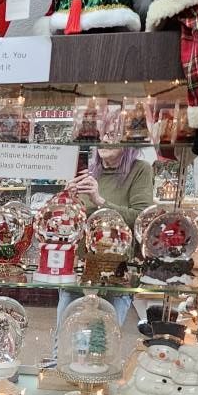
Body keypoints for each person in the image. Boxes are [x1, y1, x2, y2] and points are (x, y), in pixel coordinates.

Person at [56, 122, 154, 331]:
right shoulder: (89, 173)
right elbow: (74, 223)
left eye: (113, 135)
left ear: (127, 141)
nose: (105, 140)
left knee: (104, 340)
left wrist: (100, 201)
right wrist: (67, 200)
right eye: (102, 135)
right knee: (65, 333)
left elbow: (142, 220)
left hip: (117, 272)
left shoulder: (140, 170)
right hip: (81, 268)